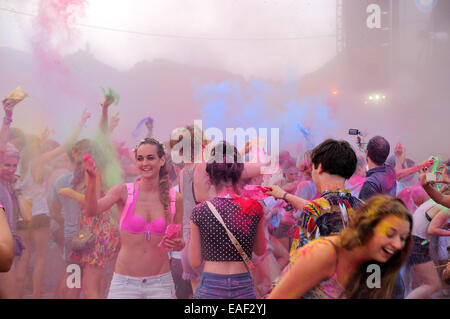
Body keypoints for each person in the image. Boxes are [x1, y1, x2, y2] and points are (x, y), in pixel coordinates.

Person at [83, 137, 184, 299]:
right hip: (125, 284)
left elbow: (179, 242)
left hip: (161, 284)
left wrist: (179, 243)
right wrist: (92, 178)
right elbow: (92, 210)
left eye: (150, 158)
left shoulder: (175, 198)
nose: (145, 163)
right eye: (140, 159)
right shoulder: (123, 191)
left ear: (162, 160)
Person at [268, 195, 413, 299]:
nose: (398, 245)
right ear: (367, 227)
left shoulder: (375, 266)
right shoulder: (324, 253)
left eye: (402, 238)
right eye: (390, 234)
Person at [14, 109, 90, 299]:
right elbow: (65, 146)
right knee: (40, 258)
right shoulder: (39, 161)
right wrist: (80, 124)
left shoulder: (14, 164)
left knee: (23, 259)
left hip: (22, 215)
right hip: (40, 215)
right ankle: (36, 296)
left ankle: (15, 295)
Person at [189, 141, 266, 299]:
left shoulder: (200, 211)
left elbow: (195, 261)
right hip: (243, 285)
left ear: (210, 177)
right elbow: (260, 250)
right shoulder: (254, 207)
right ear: (238, 175)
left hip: (211, 286)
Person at [266, 139, 363, 259]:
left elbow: (298, 263)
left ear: (320, 167)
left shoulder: (313, 211)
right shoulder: (364, 208)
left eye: (312, 168)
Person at [404, 186, 450, 299]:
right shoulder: (446, 208)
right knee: (433, 284)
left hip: (411, 240)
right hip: (418, 244)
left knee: (417, 282)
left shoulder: (432, 200)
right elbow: (432, 229)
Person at [359, 136, 397, 201]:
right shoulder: (390, 170)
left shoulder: (370, 184)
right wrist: (364, 146)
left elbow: (363, 210)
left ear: (367, 153)